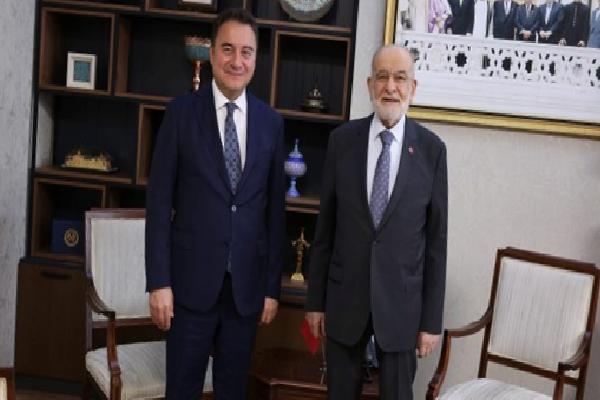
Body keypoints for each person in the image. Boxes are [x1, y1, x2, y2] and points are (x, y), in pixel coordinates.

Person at [145, 7, 286, 399]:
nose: (236, 61)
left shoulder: (271, 123)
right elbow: (158, 204)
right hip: (188, 287)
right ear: (211, 54)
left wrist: (271, 288)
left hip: (245, 291)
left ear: (255, 58)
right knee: (182, 390)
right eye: (227, 49)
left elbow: (275, 214)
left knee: (232, 391)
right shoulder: (180, 114)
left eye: (246, 52)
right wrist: (159, 282)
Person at [305, 45, 448, 400]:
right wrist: (315, 302)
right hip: (344, 302)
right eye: (382, 77)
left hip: (401, 308)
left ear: (413, 87)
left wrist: (431, 322)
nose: (391, 87)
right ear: (370, 84)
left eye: (400, 78)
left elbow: (436, 244)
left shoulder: (432, 150)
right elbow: (325, 231)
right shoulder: (342, 142)